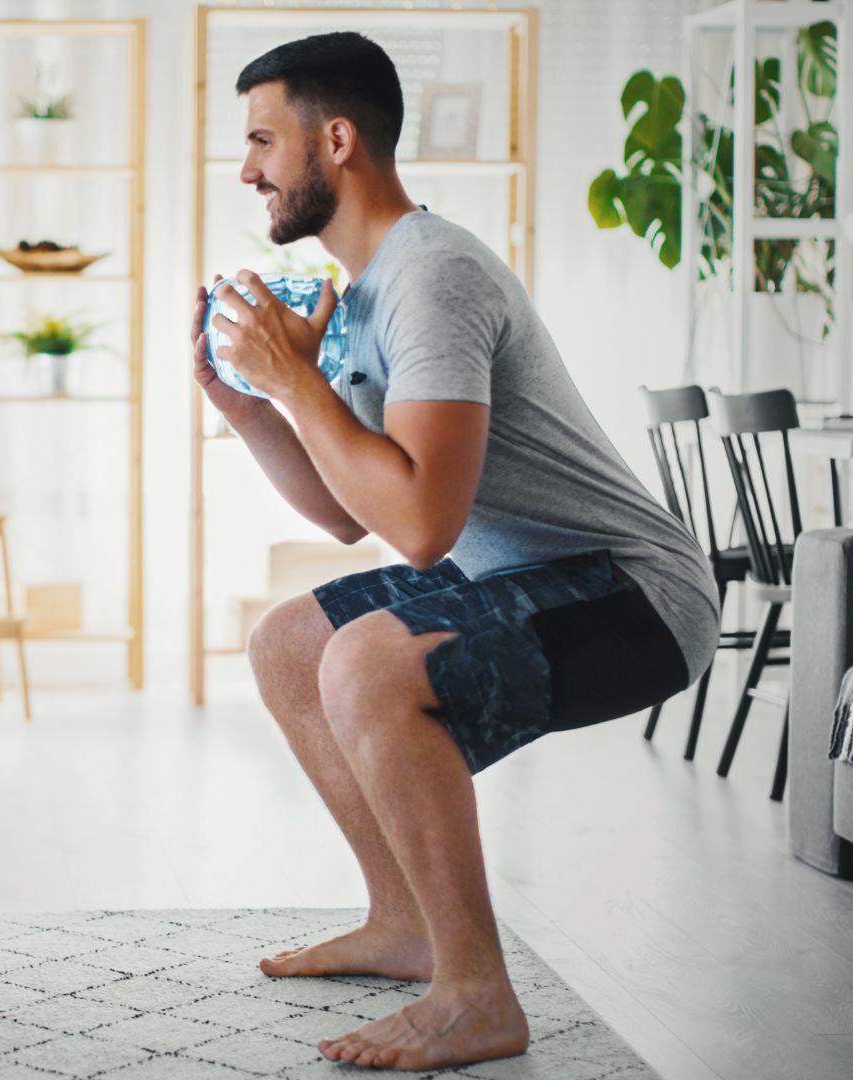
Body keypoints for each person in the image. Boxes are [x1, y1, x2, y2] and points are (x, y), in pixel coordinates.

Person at [195, 32, 719, 1072]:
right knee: (292, 642)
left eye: (263, 141)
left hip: (637, 595)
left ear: (335, 140)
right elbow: (354, 513)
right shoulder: (370, 291)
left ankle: (477, 993)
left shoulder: (431, 279)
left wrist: (296, 384)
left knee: (370, 661)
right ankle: (404, 926)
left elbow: (425, 523)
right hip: (523, 577)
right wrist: (252, 407)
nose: (249, 170)